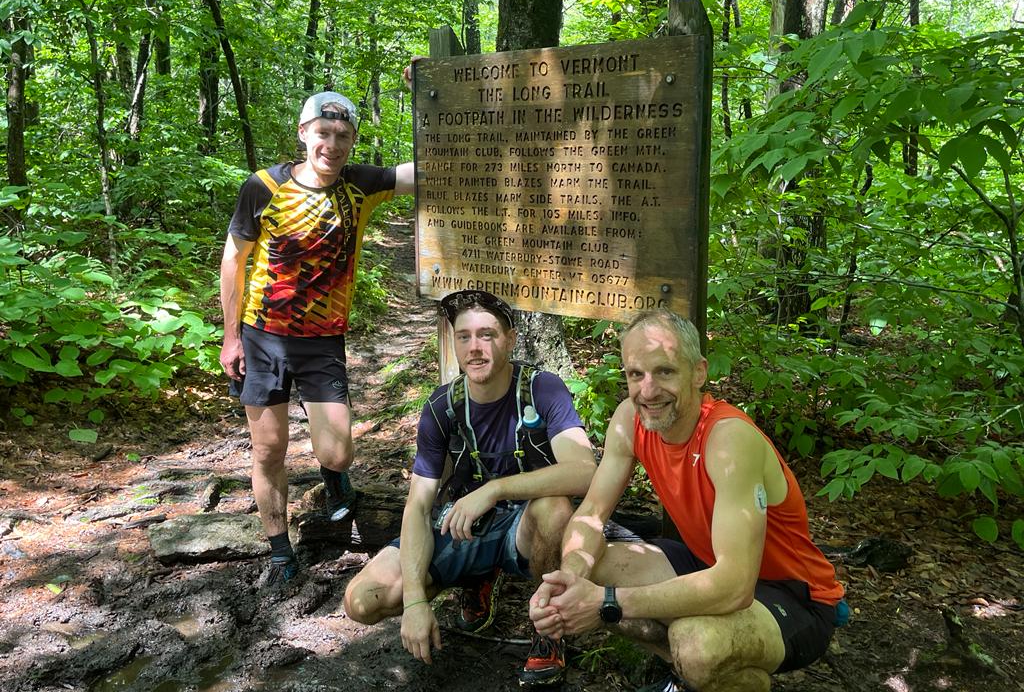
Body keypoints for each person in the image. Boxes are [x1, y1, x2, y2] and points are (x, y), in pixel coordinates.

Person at [529, 310, 845, 692]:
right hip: (704, 562)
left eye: (664, 372)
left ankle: (703, 670)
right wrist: (571, 580)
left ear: (698, 372)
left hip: (794, 593)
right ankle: (693, 677)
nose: (648, 390)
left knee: (698, 645)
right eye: (635, 374)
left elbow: (734, 586)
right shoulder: (630, 419)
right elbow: (592, 514)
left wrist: (606, 602)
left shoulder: (729, 440)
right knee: (593, 565)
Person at [344, 289, 597, 686]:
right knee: (361, 601)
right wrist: (414, 600)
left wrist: (494, 490)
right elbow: (418, 505)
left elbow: (584, 470)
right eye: (464, 337)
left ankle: (549, 629)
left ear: (510, 340)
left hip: (525, 530)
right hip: (464, 528)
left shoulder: (541, 389)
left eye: (487, 335)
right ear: (453, 343)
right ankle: (475, 578)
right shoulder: (441, 407)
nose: (474, 348)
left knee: (555, 507)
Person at [220, 90, 414, 588]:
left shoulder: (361, 184)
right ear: (304, 132)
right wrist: (231, 338)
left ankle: (335, 481)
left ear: (352, 140)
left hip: (322, 340)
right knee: (268, 450)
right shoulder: (262, 187)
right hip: (261, 336)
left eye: (343, 135)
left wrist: (427, 94)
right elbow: (233, 260)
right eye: (323, 133)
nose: (333, 144)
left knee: (337, 451)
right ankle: (280, 551)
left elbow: (429, 167)